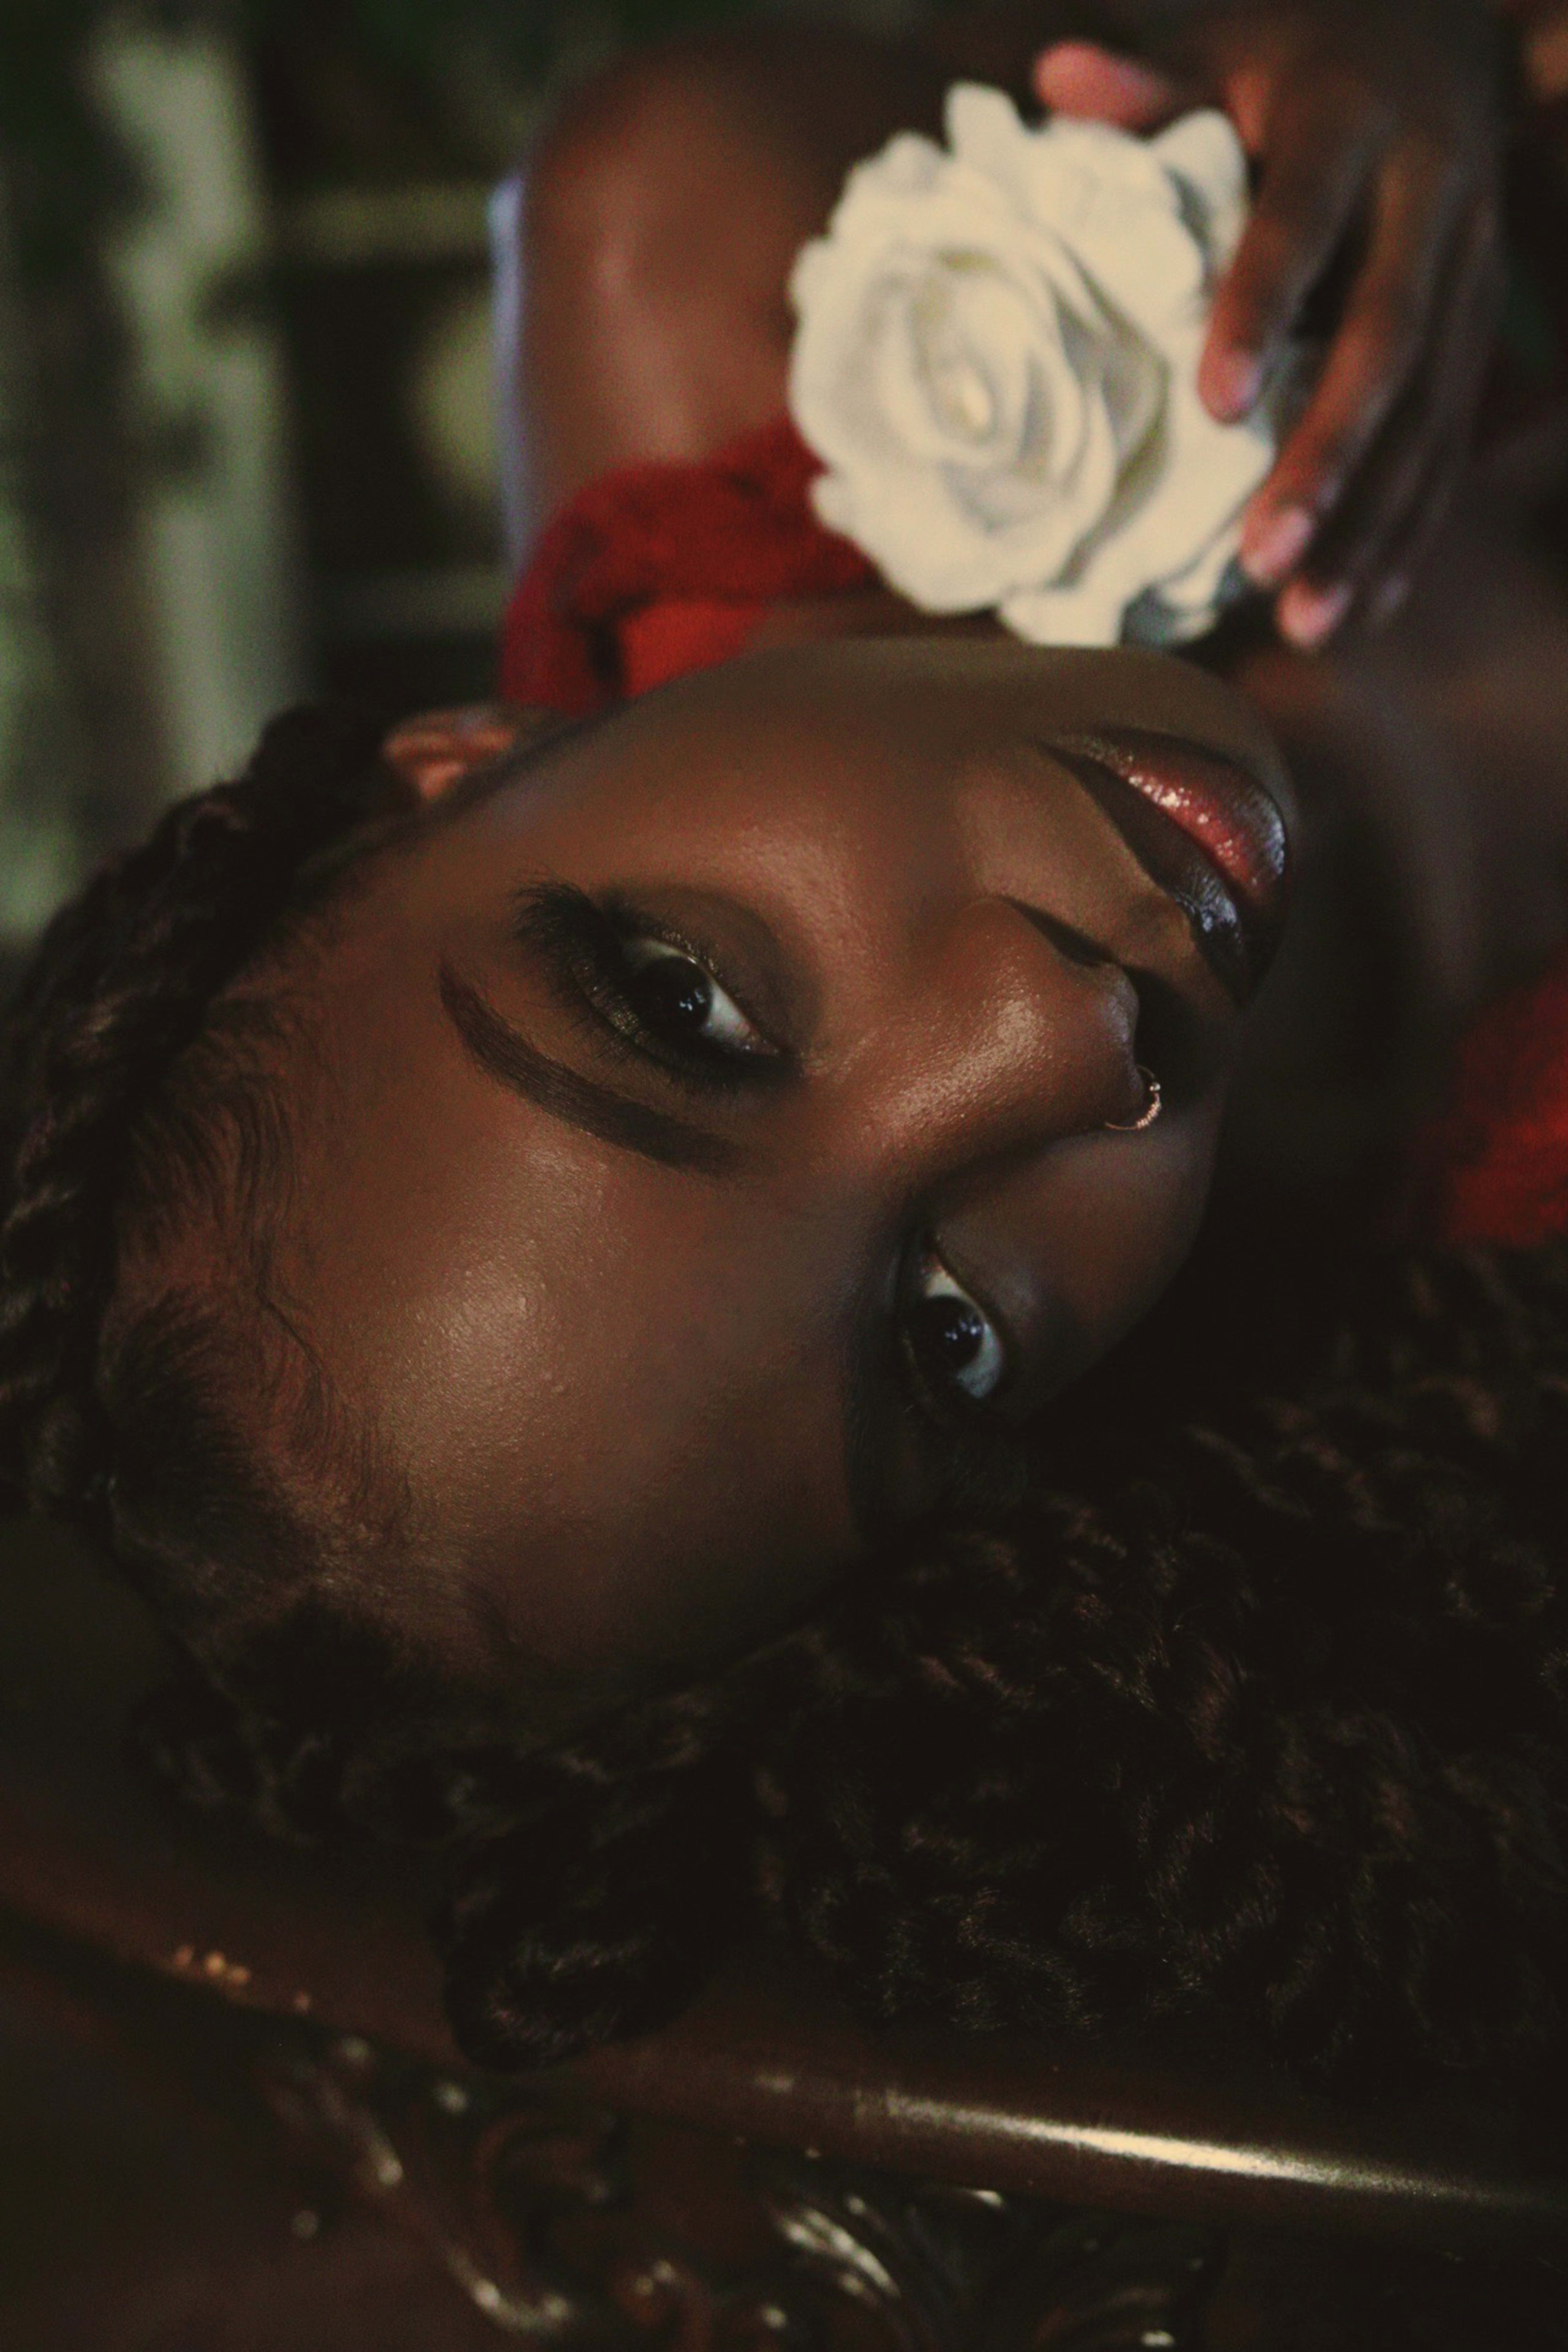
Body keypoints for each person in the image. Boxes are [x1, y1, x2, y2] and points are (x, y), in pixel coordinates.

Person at [2, 0, 1567, 2101]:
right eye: (943, 1336)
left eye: (686, 1004)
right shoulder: (1481, 1350)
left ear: (462, 771)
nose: (1059, 1031)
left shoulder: (736, 257)